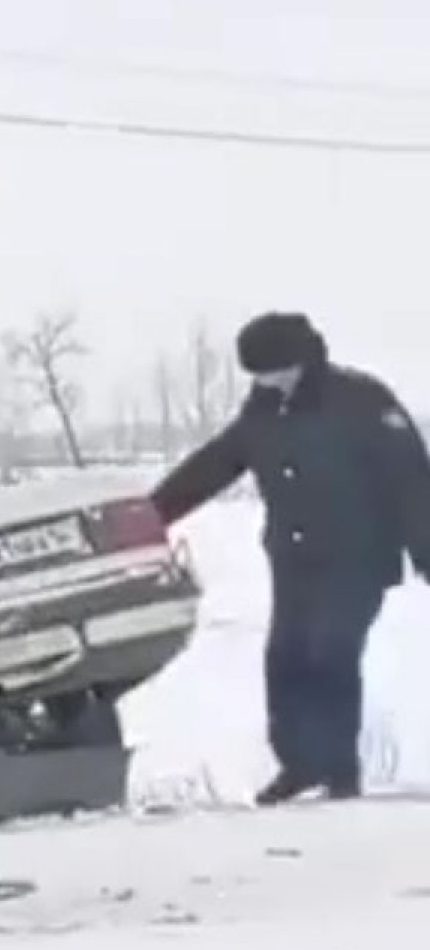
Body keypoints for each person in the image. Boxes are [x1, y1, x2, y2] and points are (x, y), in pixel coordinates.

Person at [150, 312, 430, 805]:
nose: (262, 380)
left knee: (332, 653)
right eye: (255, 372)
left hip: (358, 554)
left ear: (297, 361)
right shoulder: (261, 413)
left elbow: (412, 478)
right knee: (287, 660)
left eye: (269, 369)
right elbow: (216, 464)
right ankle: (300, 766)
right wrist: (151, 514)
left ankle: (340, 770)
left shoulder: (361, 399)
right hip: (294, 557)